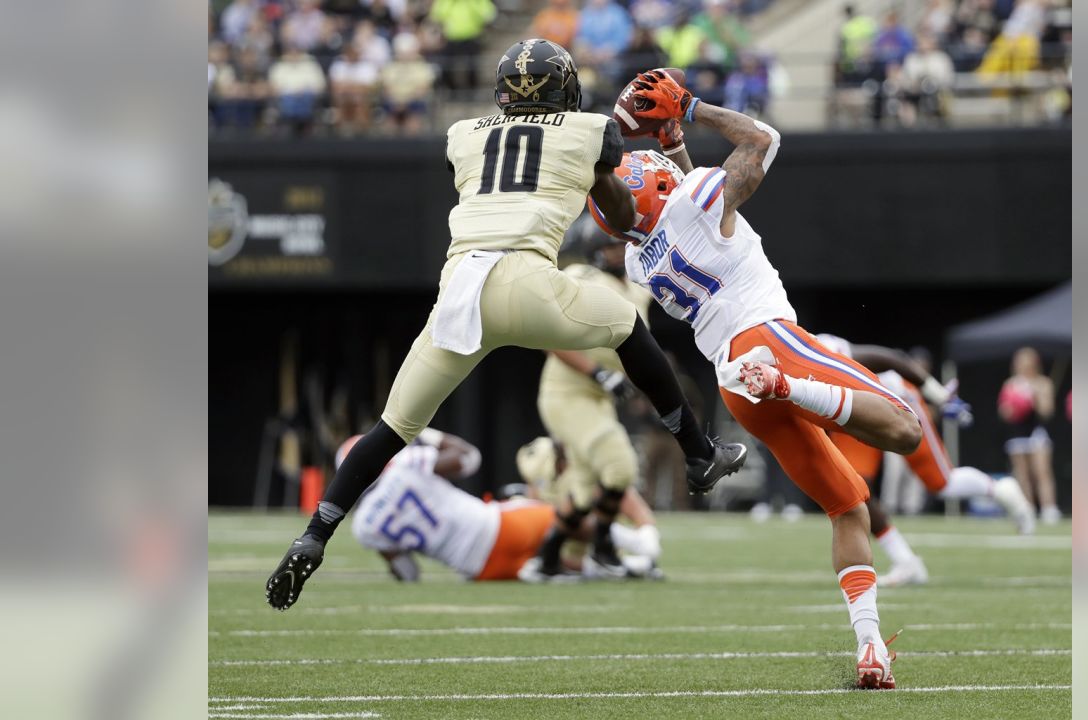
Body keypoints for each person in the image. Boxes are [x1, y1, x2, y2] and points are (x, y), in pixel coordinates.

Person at [266, 40, 746, 612]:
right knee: (625, 325)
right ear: (565, 87)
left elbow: (513, 153)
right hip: (526, 279)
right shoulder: (591, 130)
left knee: (390, 431)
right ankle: (698, 452)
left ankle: (314, 535)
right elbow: (618, 215)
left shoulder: (463, 134)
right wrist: (618, 145)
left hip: (458, 292)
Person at [593, 70, 921, 689]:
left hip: (733, 384)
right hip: (767, 347)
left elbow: (687, 196)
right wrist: (689, 108)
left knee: (849, 506)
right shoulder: (693, 202)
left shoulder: (641, 254)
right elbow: (762, 140)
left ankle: (871, 647)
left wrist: (669, 145)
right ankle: (788, 386)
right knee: (904, 430)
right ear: (667, 185)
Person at [814, 335, 1037, 587]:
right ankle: (906, 562)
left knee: (942, 484)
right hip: (850, 413)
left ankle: (1001, 490)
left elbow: (894, 360)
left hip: (891, 399)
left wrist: (940, 396)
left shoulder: (820, 348)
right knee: (855, 489)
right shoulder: (770, 366)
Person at [346, 430, 661, 581]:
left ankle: (630, 569)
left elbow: (408, 572)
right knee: (562, 519)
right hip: (498, 528)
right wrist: (420, 432)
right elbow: (469, 458)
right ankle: (639, 545)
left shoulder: (364, 527)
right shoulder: (405, 466)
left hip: (480, 570)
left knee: (550, 566)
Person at [523, 232, 655, 579]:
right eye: (612, 246)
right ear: (595, 250)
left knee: (582, 492)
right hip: (567, 394)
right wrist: (597, 372)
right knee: (620, 467)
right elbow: (546, 332)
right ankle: (603, 548)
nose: (619, 253)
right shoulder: (582, 278)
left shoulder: (638, 288)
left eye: (623, 246)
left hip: (599, 399)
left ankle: (546, 559)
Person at [514, 436, 664, 579]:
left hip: (593, 537)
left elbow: (621, 492)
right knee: (552, 522)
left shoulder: (584, 463)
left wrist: (647, 529)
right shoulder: (541, 461)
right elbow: (539, 509)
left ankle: (637, 543)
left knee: (613, 485)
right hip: (565, 548)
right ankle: (626, 555)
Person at [1000, 346, 1061, 523]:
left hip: (1036, 432)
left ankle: (1049, 509)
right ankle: (1027, 508)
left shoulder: (1043, 382)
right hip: (1017, 433)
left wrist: (1034, 397)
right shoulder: (1010, 384)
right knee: (1022, 474)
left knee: (1042, 472)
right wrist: (1013, 407)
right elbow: (1004, 412)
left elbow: (1047, 411)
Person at [429, 0, 496, 91]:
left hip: (472, 37)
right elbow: (437, 16)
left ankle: (472, 91)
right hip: (450, 38)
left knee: (472, 66)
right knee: (449, 66)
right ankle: (451, 91)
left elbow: (489, 15)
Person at [379, 34, 435, 134]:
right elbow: (386, 88)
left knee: (413, 122)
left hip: (414, 102)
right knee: (389, 124)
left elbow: (422, 90)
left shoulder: (422, 67)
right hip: (394, 102)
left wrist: (404, 103)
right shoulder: (390, 67)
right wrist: (398, 103)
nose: (405, 55)